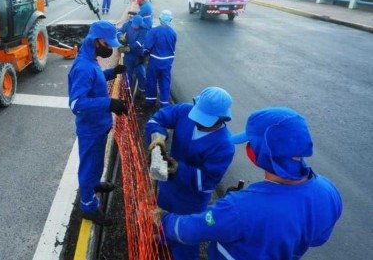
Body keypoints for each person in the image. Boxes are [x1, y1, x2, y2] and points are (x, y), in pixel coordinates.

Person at [157, 107, 343, 260]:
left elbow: (191, 230)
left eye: (250, 143)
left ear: (261, 152)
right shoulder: (329, 193)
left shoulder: (240, 207)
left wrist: (164, 220)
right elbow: (318, 239)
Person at [146, 86, 235, 260]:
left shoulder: (224, 145)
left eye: (204, 119)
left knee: (185, 237)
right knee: (164, 217)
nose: (198, 121)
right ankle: (165, 240)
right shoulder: (185, 111)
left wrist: (179, 169)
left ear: (222, 118)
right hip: (168, 187)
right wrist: (157, 137)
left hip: (190, 200)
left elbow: (207, 181)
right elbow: (156, 120)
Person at [68, 20, 128, 226]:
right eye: (108, 44)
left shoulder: (90, 58)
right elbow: (76, 103)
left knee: (96, 164)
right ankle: (88, 207)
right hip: (90, 129)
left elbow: (94, 80)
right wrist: (109, 102)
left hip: (98, 125)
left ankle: (94, 184)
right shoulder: (83, 67)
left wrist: (112, 73)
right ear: (98, 41)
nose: (110, 48)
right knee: (89, 166)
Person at [143, 10, 176, 107]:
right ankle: (164, 103)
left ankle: (150, 101)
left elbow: (147, 46)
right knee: (165, 81)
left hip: (155, 61)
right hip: (167, 62)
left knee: (151, 80)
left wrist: (144, 54)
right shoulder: (173, 32)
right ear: (170, 19)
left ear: (160, 19)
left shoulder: (154, 31)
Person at [117, 14, 149, 97]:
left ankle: (142, 90)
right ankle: (127, 91)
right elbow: (119, 31)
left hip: (138, 54)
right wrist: (120, 36)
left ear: (140, 25)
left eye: (136, 27)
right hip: (128, 55)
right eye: (133, 26)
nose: (134, 28)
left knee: (141, 73)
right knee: (128, 73)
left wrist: (126, 48)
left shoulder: (144, 29)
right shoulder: (128, 24)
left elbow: (139, 43)